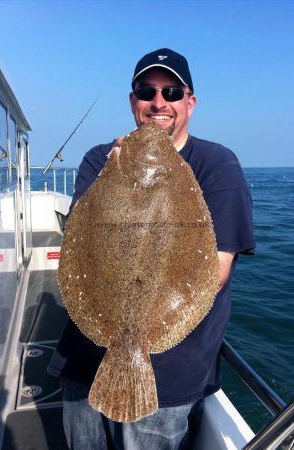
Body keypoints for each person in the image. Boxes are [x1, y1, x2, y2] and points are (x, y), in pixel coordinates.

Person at [48, 48, 255, 450]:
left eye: (172, 91)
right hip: (84, 361)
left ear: (189, 103)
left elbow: (218, 267)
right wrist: (112, 170)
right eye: (146, 90)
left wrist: (142, 331)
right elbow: (80, 241)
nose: (159, 102)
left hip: (165, 381)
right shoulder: (100, 158)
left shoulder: (217, 164)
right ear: (132, 101)